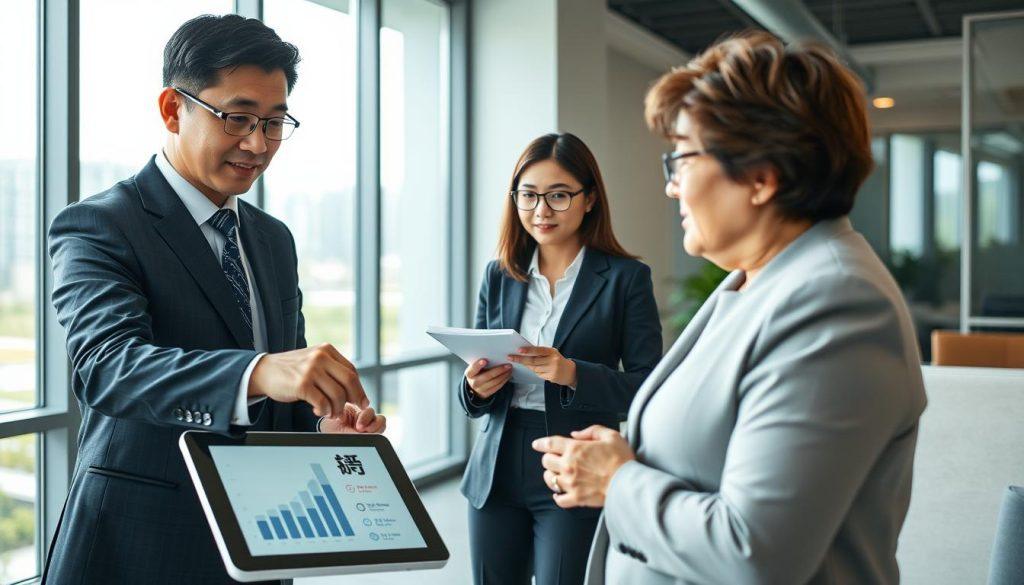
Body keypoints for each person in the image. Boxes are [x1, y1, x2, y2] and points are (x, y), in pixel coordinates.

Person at [533, 31, 928, 584]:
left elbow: (755, 553)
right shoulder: (753, 283)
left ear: (762, 177)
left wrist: (617, 482)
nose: (672, 188)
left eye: (684, 159)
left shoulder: (838, 304)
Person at [45, 14, 384, 585]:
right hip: (140, 541)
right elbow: (107, 367)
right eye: (238, 118)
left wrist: (325, 431)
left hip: (261, 538)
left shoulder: (272, 238)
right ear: (173, 110)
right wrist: (257, 373)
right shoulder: (100, 225)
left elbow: (283, 387)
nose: (258, 144)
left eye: (275, 122)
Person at [460, 133, 663, 585]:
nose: (541, 211)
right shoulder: (499, 274)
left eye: (558, 196)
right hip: (496, 462)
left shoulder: (626, 279)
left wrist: (573, 373)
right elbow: (474, 377)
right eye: (528, 196)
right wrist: (473, 388)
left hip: (575, 460)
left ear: (589, 199)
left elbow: (650, 389)